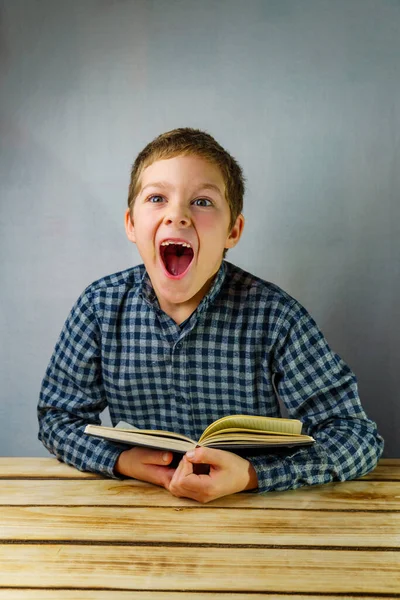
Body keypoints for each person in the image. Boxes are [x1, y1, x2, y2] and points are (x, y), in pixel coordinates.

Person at [38, 128, 384, 503]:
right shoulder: (99, 307)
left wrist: (252, 475)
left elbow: (355, 434)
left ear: (232, 230)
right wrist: (123, 461)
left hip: (250, 511)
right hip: (140, 510)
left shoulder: (275, 316)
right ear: (131, 225)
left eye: (202, 202)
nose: (178, 216)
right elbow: (58, 418)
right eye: (157, 198)